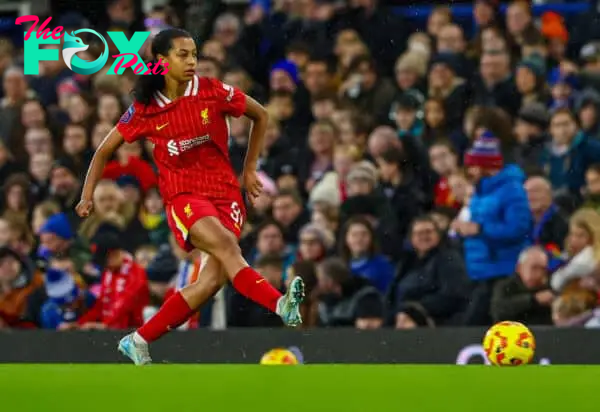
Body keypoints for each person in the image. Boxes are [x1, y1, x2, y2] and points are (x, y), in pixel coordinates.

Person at [75, 29, 305, 365]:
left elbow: (261, 115)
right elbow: (103, 151)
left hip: (226, 196)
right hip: (184, 196)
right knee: (228, 247)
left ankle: (138, 339)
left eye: (194, 53)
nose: (192, 61)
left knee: (210, 282)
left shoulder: (212, 91)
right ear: (161, 60)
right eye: (183, 54)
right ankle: (280, 305)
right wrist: (87, 195)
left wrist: (250, 169)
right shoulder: (145, 109)